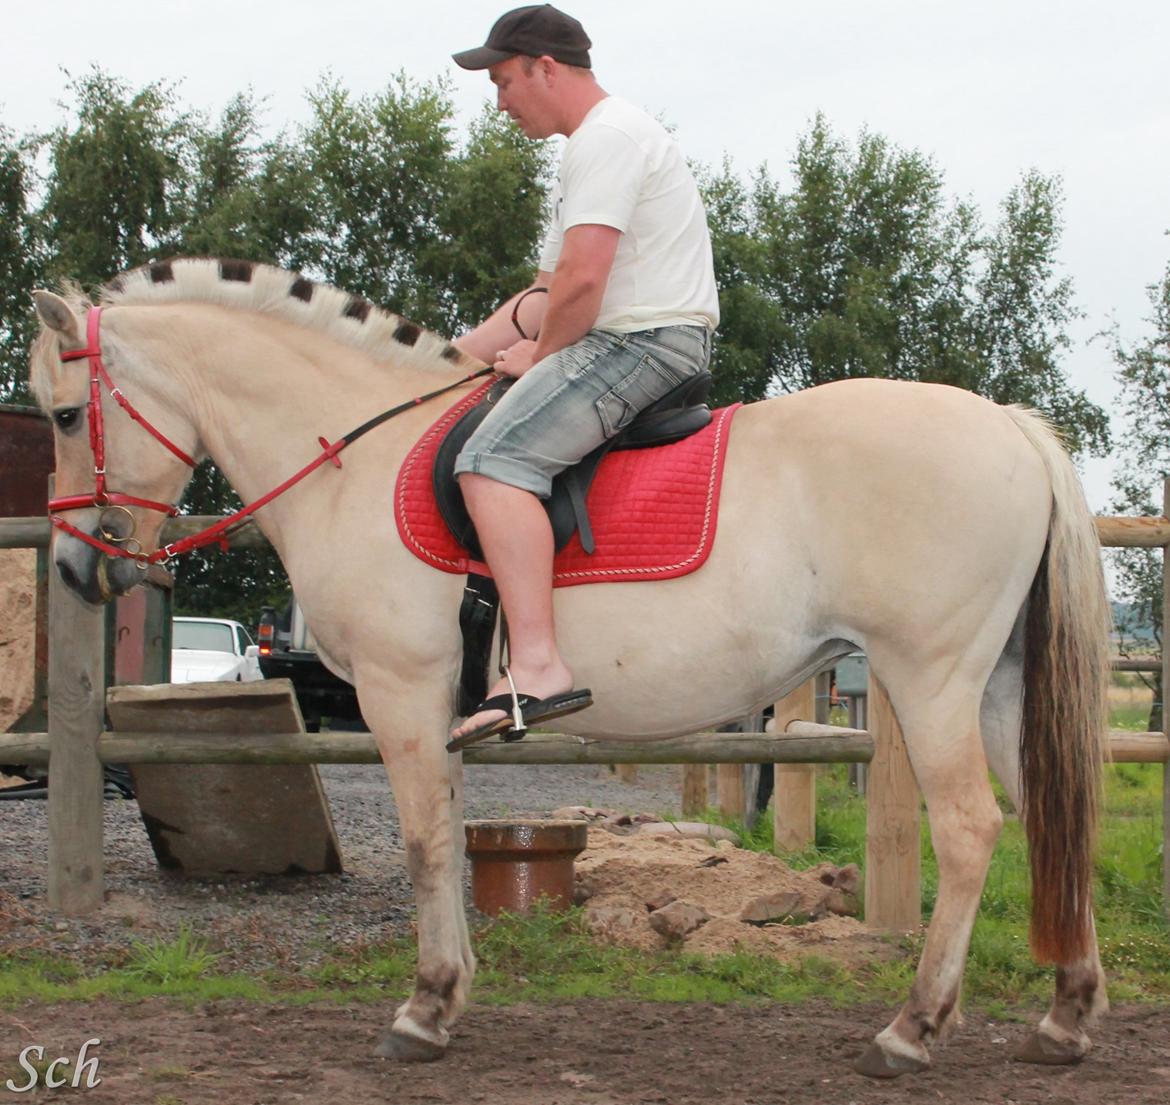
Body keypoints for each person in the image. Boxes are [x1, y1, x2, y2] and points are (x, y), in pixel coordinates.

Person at [448, 3, 719, 746]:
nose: (500, 103)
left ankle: (537, 665)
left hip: (644, 342)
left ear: (545, 67)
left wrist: (540, 357)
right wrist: (443, 359)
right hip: (627, 336)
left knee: (492, 464)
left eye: (504, 82)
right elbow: (543, 296)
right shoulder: (589, 151)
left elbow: (582, 284)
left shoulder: (607, 138)